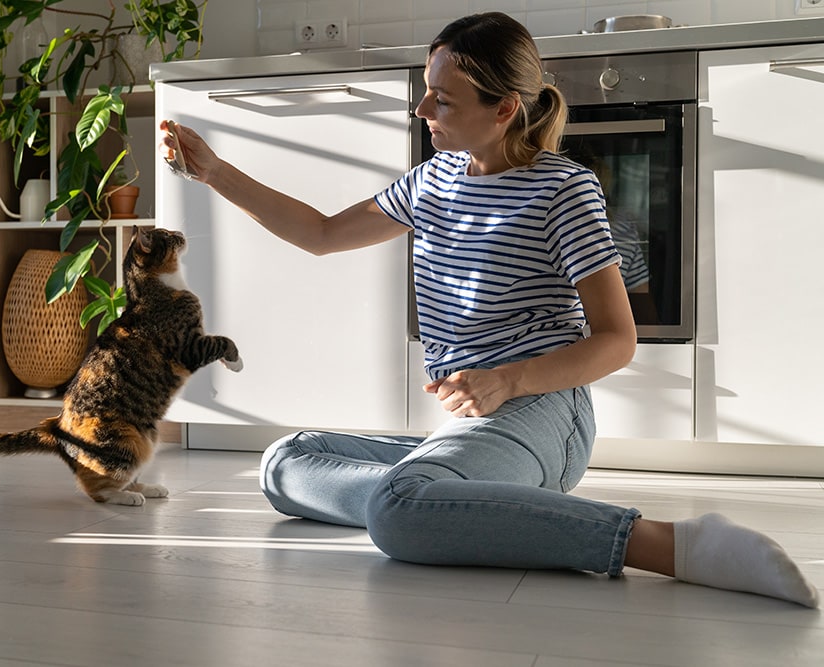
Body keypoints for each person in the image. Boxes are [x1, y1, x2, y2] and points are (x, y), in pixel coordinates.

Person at [159, 12, 818, 608]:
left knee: (397, 513)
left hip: (543, 410)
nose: (421, 109)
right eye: (425, 88)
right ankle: (454, 493)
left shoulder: (564, 190)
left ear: (503, 109)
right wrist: (214, 170)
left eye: (441, 99)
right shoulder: (432, 181)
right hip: (470, 423)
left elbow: (617, 341)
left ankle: (672, 544)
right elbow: (322, 234)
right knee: (284, 463)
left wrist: (508, 378)